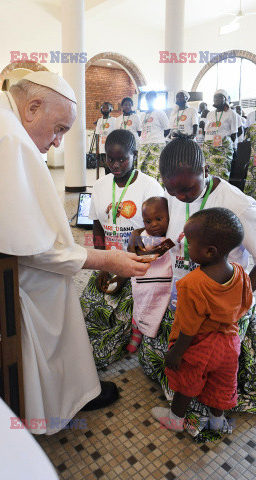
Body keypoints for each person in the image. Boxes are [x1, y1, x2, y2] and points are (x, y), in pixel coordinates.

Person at [0, 72, 151, 435]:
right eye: (59, 128)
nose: (59, 141)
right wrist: (105, 259)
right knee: (51, 280)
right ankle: (53, 402)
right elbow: (34, 249)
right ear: (32, 107)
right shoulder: (9, 137)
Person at [139, 136, 256, 442]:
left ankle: (191, 412)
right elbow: (175, 238)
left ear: (205, 169)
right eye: (172, 189)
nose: (179, 196)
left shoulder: (236, 205)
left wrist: (237, 298)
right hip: (185, 303)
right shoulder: (176, 196)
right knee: (164, 360)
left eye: (188, 189)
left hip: (223, 313)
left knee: (241, 369)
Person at [151, 208, 253, 437]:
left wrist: (176, 353)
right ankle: (217, 422)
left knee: (187, 382)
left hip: (199, 347)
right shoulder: (241, 274)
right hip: (229, 344)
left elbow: (188, 328)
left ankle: (176, 419)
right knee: (222, 383)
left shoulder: (192, 284)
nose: (185, 244)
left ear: (209, 251)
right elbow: (245, 305)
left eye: (189, 241)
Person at [80, 129, 163, 368]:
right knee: (89, 304)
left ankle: (116, 343)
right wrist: (102, 265)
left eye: (122, 159)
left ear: (134, 155)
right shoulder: (99, 185)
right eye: (110, 159)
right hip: (108, 261)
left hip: (139, 266)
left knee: (120, 312)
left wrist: (125, 273)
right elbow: (97, 228)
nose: (115, 165)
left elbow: (153, 237)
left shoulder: (150, 187)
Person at [125, 196, 172, 353]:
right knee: (139, 304)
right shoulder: (141, 236)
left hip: (162, 283)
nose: (154, 225)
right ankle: (136, 332)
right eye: (148, 221)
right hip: (143, 281)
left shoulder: (172, 236)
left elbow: (157, 254)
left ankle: (148, 332)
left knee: (156, 306)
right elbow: (135, 255)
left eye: (159, 219)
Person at [202, 89, 239, 180]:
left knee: (221, 174)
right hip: (209, 149)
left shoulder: (231, 113)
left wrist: (226, 146)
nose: (216, 99)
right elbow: (206, 131)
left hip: (223, 149)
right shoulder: (210, 114)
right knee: (208, 175)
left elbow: (234, 134)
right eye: (215, 98)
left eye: (219, 97)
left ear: (225, 99)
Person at [138, 91, 170, 182]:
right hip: (144, 144)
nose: (149, 100)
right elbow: (141, 130)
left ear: (155, 100)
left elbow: (167, 129)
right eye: (147, 99)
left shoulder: (160, 113)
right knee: (142, 169)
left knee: (155, 170)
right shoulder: (143, 115)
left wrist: (158, 138)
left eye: (151, 98)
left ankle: (157, 192)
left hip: (157, 145)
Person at [95, 101, 116, 174]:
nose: (105, 109)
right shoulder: (99, 121)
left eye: (107, 107)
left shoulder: (114, 120)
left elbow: (116, 134)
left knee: (111, 166)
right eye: (103, 107)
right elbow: (97, 135)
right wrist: (97, 149)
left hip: (111, 148)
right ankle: (108, 182)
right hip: (102, 147)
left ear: (111, 109)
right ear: (101, 109)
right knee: (105, 166)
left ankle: (113, 181)